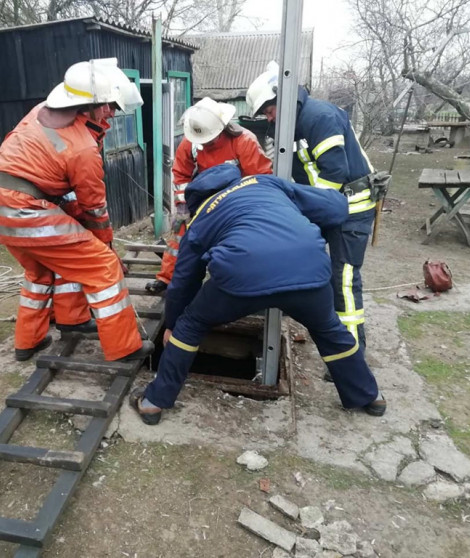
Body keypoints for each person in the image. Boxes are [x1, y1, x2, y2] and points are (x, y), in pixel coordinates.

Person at [130, 164, 386, 425]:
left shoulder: (202, 217)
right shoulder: (264, 183)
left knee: (190, 324)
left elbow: (183, 282)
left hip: (241, 280)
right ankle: (369, 395)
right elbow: (335, 208)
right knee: (330, 330)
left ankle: (154, 402)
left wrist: (172, 325)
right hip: (309, 271)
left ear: (197, 200)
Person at [0, 58, 153, 363]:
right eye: (110, 106)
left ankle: (34, 339)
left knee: (41, 270)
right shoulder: (83, 147)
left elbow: (45, 174)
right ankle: (124, 348)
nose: (112, 114)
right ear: (92, 105)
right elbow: (95, 207)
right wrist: (106, 247)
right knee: (101, 266)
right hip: (28, 211)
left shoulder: (40, 112)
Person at [246, 63, 377, 364]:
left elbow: (333, 175)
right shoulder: (293, 124)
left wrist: (299, 206)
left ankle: (351, 357)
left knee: (343, 280)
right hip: (327, 207)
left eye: (269, 111)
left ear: (284, 97)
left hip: (351, 209)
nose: (269, 119)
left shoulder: (319, 117)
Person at [144, 97, 272, 293]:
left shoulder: (244, 141)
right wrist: (183, 206)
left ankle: (239, 285)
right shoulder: (192, 141)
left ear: (221, 128)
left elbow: (260, 178)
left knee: (238, 241)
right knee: (179, 232)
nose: (208, 143)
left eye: (211, 140)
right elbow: (180, 174)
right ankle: (168, 278)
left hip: (235, 200)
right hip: (201, 199)